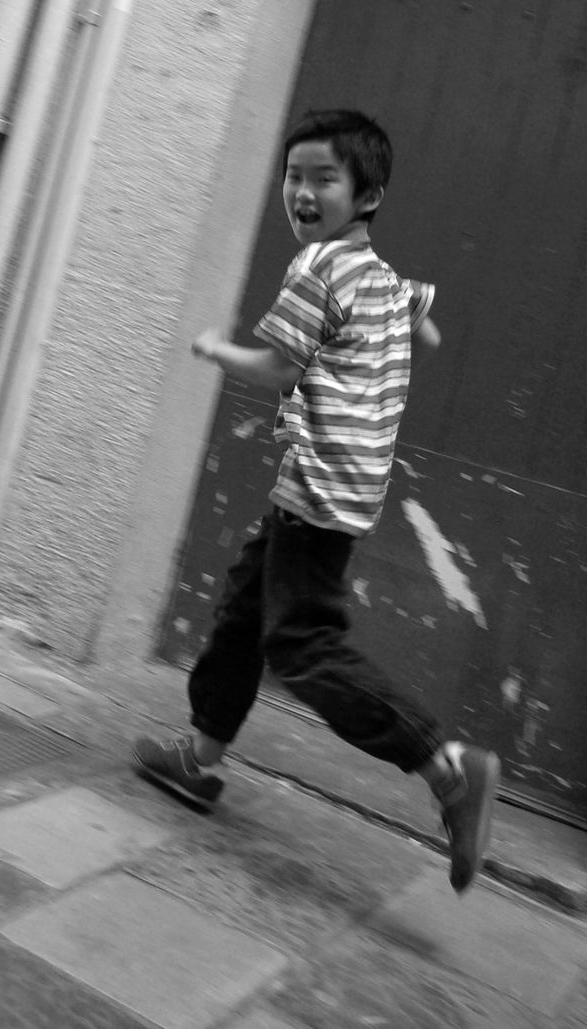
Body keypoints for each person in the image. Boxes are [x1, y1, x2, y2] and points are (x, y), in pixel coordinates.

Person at [133, 108, 499, 894]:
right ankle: (198, 760)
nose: (301, 190)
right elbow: (419, 320)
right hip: (339, 481)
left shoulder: (318, 269)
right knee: (241, 612)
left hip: (320, 483)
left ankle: (445, 765)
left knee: (303, 644)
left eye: (322, 177)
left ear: (367, 194)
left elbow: (271, 364)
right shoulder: (379, 274)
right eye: (293, 174)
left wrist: (214, 347)